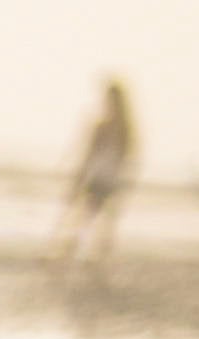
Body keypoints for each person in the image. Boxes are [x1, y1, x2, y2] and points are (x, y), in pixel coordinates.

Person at [57, 77, 139, 278]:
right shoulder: (107, 125)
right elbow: (90, 152)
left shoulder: (121, 127)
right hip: (100, 175)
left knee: (98, 219)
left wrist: (124, 180)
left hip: (109, 177)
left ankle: (90, 258)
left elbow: (126, 156)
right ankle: (74, 254)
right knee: (86, 216)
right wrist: (80, 175)